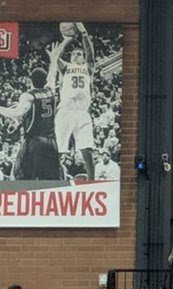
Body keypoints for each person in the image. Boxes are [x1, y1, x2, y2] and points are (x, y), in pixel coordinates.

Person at [0, 64, 62, 180]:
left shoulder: (28, 96)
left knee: (18, 178)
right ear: (45, 80)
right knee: (51, 182)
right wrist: (54, 58)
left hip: (35, 142)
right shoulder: (51, 91)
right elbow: (52, 77)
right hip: (52, 143)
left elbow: (15, 113)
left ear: (30, 81)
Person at [50, 22, 98, 180]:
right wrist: (66, 41)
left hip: (82, 112)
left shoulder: (88, 67)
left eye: (78, 54)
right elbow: (56, 58)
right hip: (66, 111)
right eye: (73, 54)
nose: (75, 56)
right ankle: (54, 179)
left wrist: (84, 34)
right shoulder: (66, 67)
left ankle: (92, 181)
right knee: (58, 149)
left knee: (87, 149)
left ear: (82, 57)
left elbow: (90, 52)